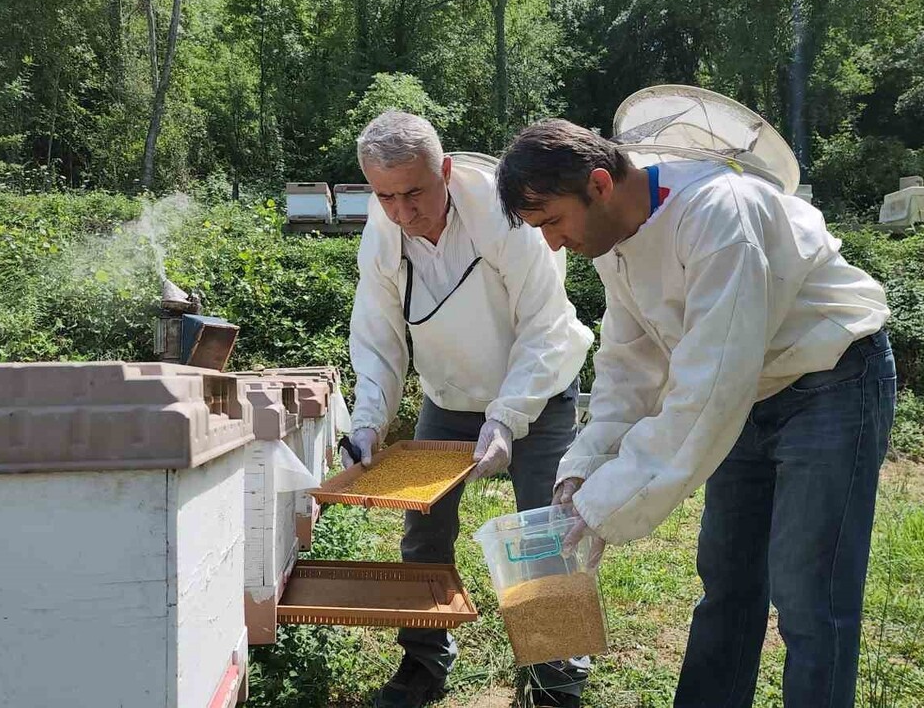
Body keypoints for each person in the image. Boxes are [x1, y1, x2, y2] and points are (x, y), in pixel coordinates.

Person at [495, 103, 896, 707]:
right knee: (728, 579)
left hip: (830, 380)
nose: (552, 242)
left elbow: (709, 387)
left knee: (809, 595)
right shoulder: (614, 241)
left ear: (599, 185)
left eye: (552, 221)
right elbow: (628, 367)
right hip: (748, 393)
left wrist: (608, 502)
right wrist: (583, 468)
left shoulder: (718, 214)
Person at [344, 110, 594, 708]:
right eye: (385, 196)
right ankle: (423, 660)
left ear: (446, 171)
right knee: (423, 532)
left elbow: (544, 326)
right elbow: (378, 337)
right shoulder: (381, 235)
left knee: (547, 533)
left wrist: (506, 417)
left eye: (414, 193)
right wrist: (368, 421)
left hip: (538, 393)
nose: (403, 212)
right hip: (449, 400)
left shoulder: (505, 213)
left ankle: (555, 675)